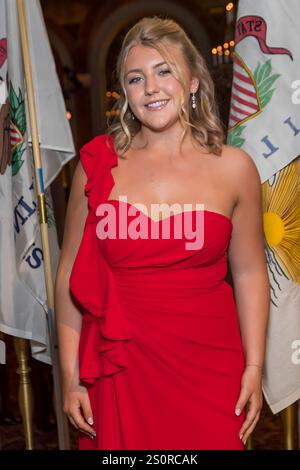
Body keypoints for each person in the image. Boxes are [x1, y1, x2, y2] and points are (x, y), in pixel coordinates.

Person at [54, 16, 270, 450]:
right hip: (120, 365)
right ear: (126, 93)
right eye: (136, 78)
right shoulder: (96, 166)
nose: (150, 87)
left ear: (192, 81)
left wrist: (254, 365)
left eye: (163, 71)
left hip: (210, 365)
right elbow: (68, 278)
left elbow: (249, 272)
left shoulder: (234, 167)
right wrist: (71, 378)